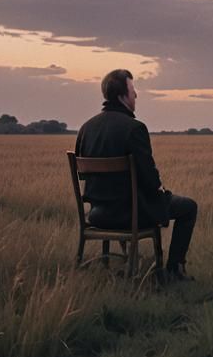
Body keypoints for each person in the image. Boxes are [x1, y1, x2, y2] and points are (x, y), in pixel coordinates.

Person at [75, 68, 198, 281]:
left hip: (98, 213)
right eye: (133, 90)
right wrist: (160, 190)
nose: (136, 95)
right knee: (188, 207)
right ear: (122, 96)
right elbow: (149, 180)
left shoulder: (86, 128)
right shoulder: (135, 128)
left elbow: (84, 177)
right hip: (129, 213)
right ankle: (174, 270)